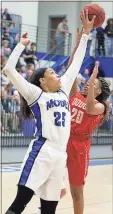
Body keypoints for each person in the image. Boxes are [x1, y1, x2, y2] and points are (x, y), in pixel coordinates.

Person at [3, 10, 95, 214]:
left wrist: (86, 34)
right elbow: (9, 70)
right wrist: (20, 46)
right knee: (20, 203)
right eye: (53, 72)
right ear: (43, 81)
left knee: (49, 209)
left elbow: (77, 62)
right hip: (42, 152)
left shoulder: (62, 90)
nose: (58, 75)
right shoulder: (36, 94)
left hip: (60, 155)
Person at [64, 38, 110, 214]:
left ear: (98, 91)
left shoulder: (101, 107)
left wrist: (92, 79)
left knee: (76, 192)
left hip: (79, 147)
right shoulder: (76, 94)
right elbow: (71, 71)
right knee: (49, 183)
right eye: (88, 82)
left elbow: (90, 105)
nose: (87, 84)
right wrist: (76, 47)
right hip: (63, 141)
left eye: (91, 84)